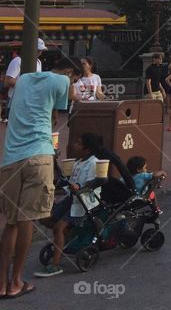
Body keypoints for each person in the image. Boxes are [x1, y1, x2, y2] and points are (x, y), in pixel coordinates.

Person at [0, 53, 70, 298]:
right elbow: (59, 110)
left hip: (9, 158)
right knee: (26, 219)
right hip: (38, 154)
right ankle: (17, 281)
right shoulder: (62, 80)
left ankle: (1, 283)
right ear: (70, 73)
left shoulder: (23, 80)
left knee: (10, 222)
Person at [33, 132, 102, 279]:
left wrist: (78, 187)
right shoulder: (77, 163)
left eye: (78, 143)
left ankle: (55, 264)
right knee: (44, 217)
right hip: (72, 199)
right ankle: (67, 235)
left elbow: (91, 184)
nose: (74, 145)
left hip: (84, 203)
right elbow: (68, 182)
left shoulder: (93, 163)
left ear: (87, 149)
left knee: (58, 228)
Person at [3, 39, 46, 112]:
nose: (40, 52)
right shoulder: (18, 60)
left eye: (41, 50)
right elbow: (8, 81)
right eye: (38, 50)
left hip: (30, 100)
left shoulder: (38, 62)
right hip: (16, 100)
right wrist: (28, 83)